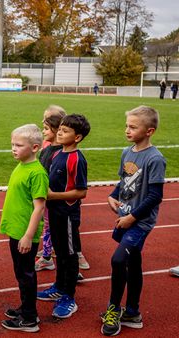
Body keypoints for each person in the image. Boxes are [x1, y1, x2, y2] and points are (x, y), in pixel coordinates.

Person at [100, 106, 166, 336]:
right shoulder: (127, 152)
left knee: (119, 260)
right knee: (133, 263)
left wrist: (132, 217)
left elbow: (155, 195)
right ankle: (133, 312)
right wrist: (112, 195)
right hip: (125, 216)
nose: (127, 130)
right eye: (127, 125)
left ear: (149, 131)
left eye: (133, 127)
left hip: (139, 222)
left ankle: (113, 309)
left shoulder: (155, 159)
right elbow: (124, 180)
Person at [37, 114, 90, 319]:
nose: (60, 132)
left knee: (69, 255)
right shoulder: (58, 153)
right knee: (60, 252)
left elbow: (81, 191)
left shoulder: (76, 159)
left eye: (65, 131)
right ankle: (58, 287)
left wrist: (53, 195)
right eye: (60, 129)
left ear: (77, 137)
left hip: (67, 215)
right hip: (55, 214)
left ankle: (69, 297)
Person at [0, 124, 48, 333]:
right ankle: (25, 307)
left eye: (19, 145)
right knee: (21, 273)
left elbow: (39, 207)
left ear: (35, 147)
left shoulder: (37, 173)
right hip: (16, 230)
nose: (13, 148)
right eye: (12, 144)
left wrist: (28, 236)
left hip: (25, 234)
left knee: (26, 274)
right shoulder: (21, 166)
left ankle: (30, 318)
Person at [35, 107, 65, 272]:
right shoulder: (46, 149)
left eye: (46, 128)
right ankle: (47, 254)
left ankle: (47, 258)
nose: (43, 131)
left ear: (55, 130)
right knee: (47, 226)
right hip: (44, 195)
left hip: (53, 198)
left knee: (51, 227)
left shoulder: (60, 153)